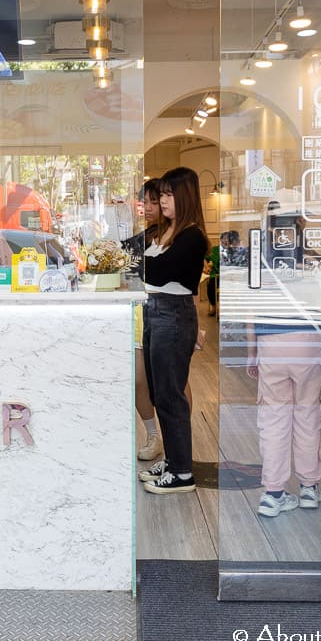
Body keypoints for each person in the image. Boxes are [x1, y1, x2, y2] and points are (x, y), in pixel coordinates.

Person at [248, 209, 321, 517]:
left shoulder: (261, 261)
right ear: (301, 225)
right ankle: (309, 488)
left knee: (273, 419)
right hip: (308, 346)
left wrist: (251, 353)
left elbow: (250, 310)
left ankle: (273, 493)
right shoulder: (313, 261)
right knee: (308, 415)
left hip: (271, 346)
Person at [138, 167, 210, 494]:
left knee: (170, 395)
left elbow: (159, 270)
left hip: (174, 315)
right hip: (156, 312)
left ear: (183, 196)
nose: (162, 201)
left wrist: (136, 261)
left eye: (167, 195)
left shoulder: (192, 236)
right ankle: (174, 460)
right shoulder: (165, 231)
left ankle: (182, 473)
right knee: (160, 392)